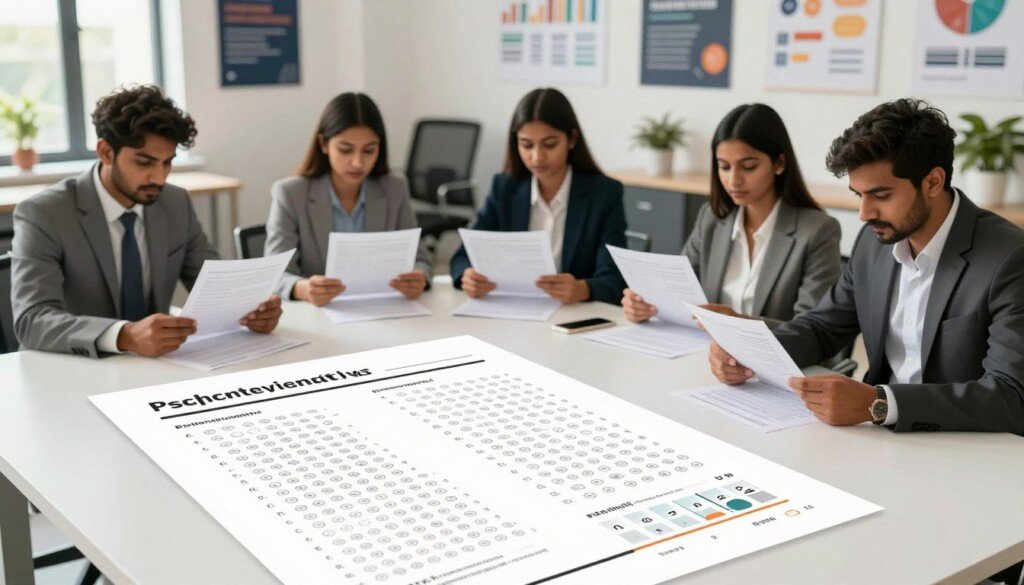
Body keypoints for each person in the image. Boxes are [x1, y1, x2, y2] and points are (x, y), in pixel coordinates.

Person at [708, 98, 1024, 437]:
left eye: (881, 195)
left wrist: (879, 403)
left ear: (933, 182)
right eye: (858, 194)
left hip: (965, 446)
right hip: (876, 438)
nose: (864, 213)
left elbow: (1010, 396)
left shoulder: (1008, 258)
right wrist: (749, 353)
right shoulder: (874, 243)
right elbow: (823, 327)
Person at [11, 85, 281, 358]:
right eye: (144, 162)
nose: (159, 178)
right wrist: (124, 335)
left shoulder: (175, 203)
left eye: (167, 163)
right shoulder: (44, 213)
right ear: (105, 152)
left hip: (153, 368)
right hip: (69, 368)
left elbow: (213, 284)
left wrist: (251, 310)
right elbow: (32, 320)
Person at [622, 103, 841, 328]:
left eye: (748, 167)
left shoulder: (817, 231)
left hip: (777, 361)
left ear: (779, 163)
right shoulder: (711, 219)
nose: (733, 180)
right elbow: (677, 293)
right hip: (707, 354)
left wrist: (737, 324)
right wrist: (645, 305)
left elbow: (812, 329)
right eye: (724, 167)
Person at [449, 87, 627, 304]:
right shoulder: (505, 188)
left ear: (571, 139)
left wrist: (584, 288)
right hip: (513, 311)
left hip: (575, 316)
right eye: (526, 145)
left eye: (549, 144)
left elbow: (615, 280)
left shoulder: (604, 193)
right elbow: (462, 256)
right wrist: (468, 275)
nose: (537, 157)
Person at [264, 93, 432, 305]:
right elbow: (275, 274)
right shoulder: (290, 194)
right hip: (320, 317)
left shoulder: (394, 188)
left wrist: (419, 277)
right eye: (345, 150)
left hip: (382, 311)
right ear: (324, 144)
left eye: (369, 150)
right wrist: (304, 289)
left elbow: (421, 258)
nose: (357, 162)